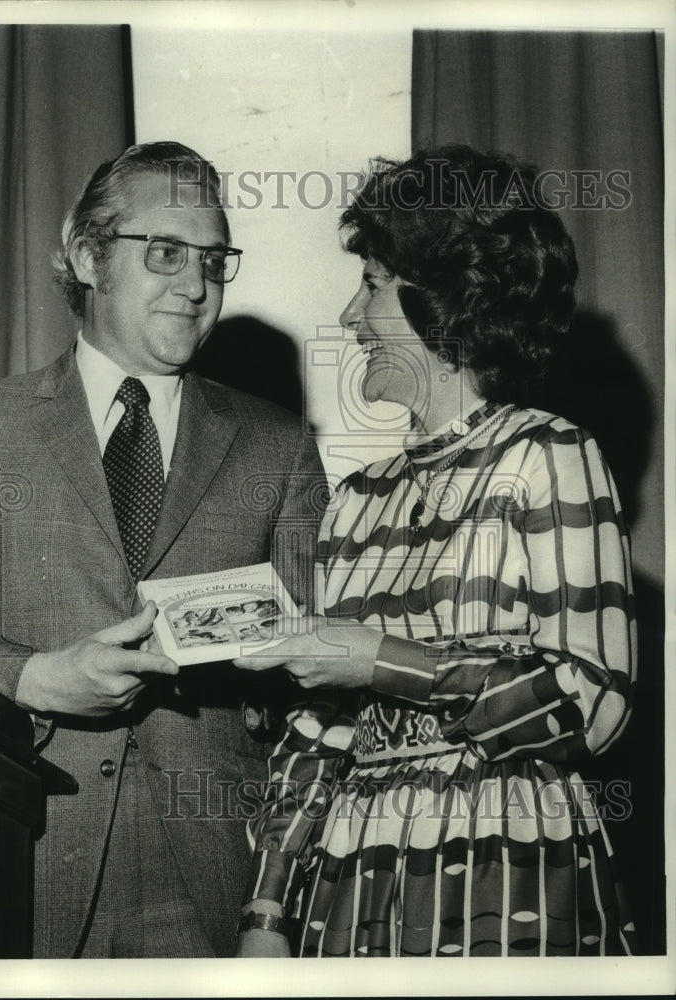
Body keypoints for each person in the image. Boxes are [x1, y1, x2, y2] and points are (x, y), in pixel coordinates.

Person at [0, 141, 326, 958]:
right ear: (86, 255)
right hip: (19, 847)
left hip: (218, 879)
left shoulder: (277, 445)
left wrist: (273, 904)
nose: (196, 284)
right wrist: (33, 677)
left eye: (212, 259)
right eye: (164, 252)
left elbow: (309, 673)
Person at [234, 145, 636, 958]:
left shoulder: (546, 454)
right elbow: (318, 736)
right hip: (350, 877)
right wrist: (265, 913)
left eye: (373, 284)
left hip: (503, 854)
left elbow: (591, 703)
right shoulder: (356, 499)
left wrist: (381, 660)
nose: (350, 317)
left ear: (445, 297)